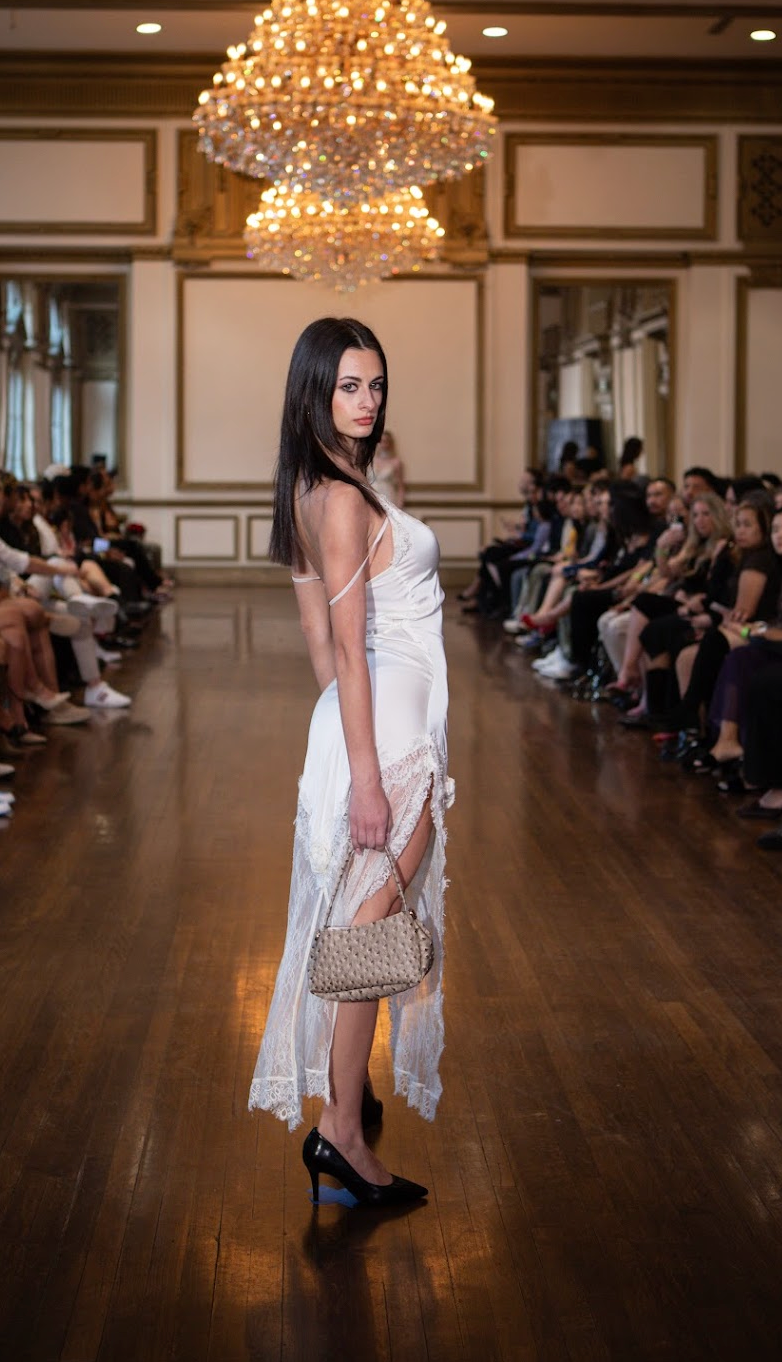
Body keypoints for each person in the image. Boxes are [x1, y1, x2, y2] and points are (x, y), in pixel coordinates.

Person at [249, 317, 452, 1208]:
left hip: (370, 722)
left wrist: (342, 733)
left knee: (366, 930)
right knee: (372, 933)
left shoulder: (319, 483)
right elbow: (344, 642)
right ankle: (341, 1131)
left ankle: (346, 1107)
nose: (366, 403)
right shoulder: (338, 495)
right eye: (348, 388)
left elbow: (320, 642)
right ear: (315, 392)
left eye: (374, 386)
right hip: (386, 735)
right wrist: (368, 774)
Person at [372, 429, 405, 509]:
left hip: (388, 496)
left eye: (386, 441)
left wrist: (399, 504)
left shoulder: (396, 462)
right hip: (372, 495)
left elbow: (400, 486)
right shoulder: (371, 460)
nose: (383, 444)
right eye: (381, 441)